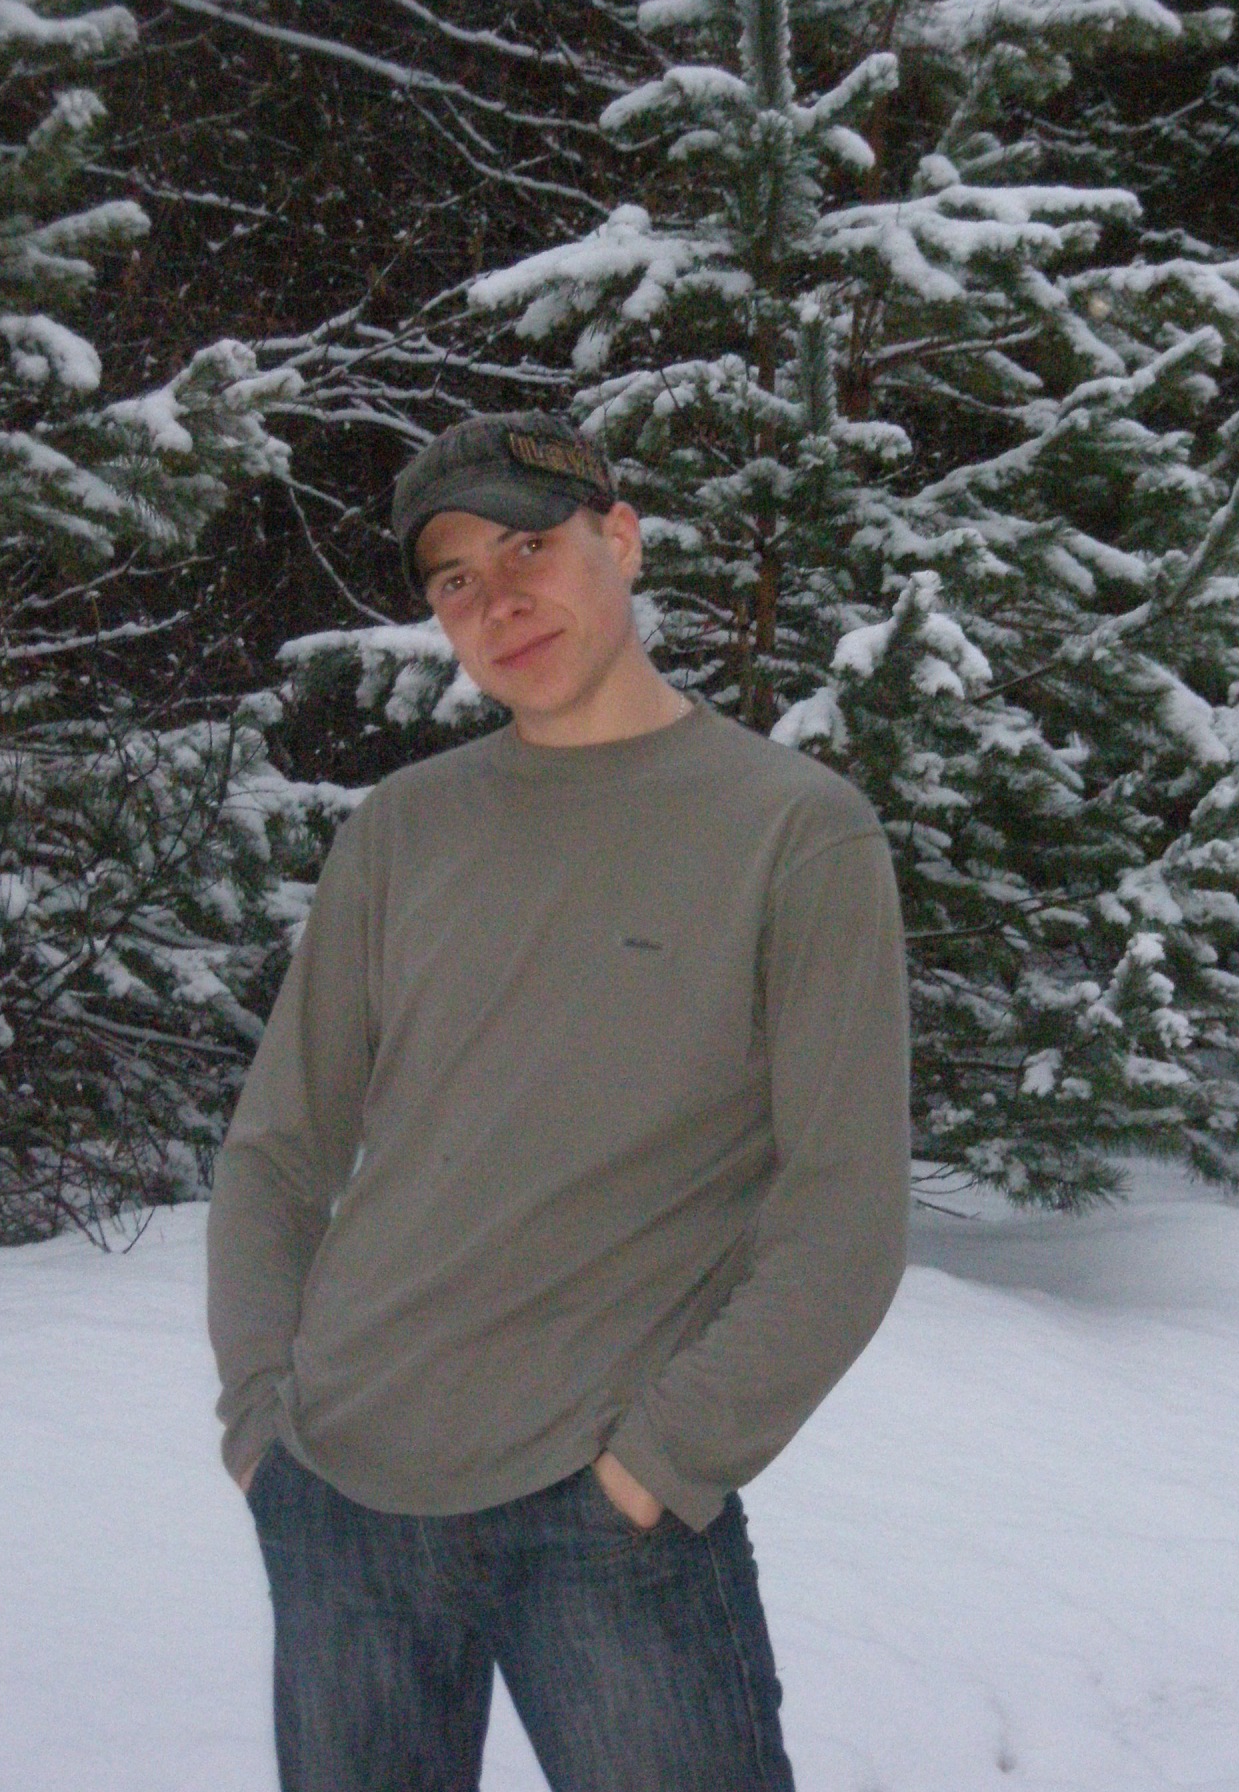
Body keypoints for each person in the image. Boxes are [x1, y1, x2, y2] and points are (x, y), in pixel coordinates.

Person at [206, 410, 911, 1792]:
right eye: (455, 579)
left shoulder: (794, 831)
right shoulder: (401, 831)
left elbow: (844, 1217)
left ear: (622, 540)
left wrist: (663, 1461)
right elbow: (278, 1152)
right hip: (343, 1495)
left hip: (606, 1520)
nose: (498, 602)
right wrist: (260, 1430)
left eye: (529, 548)